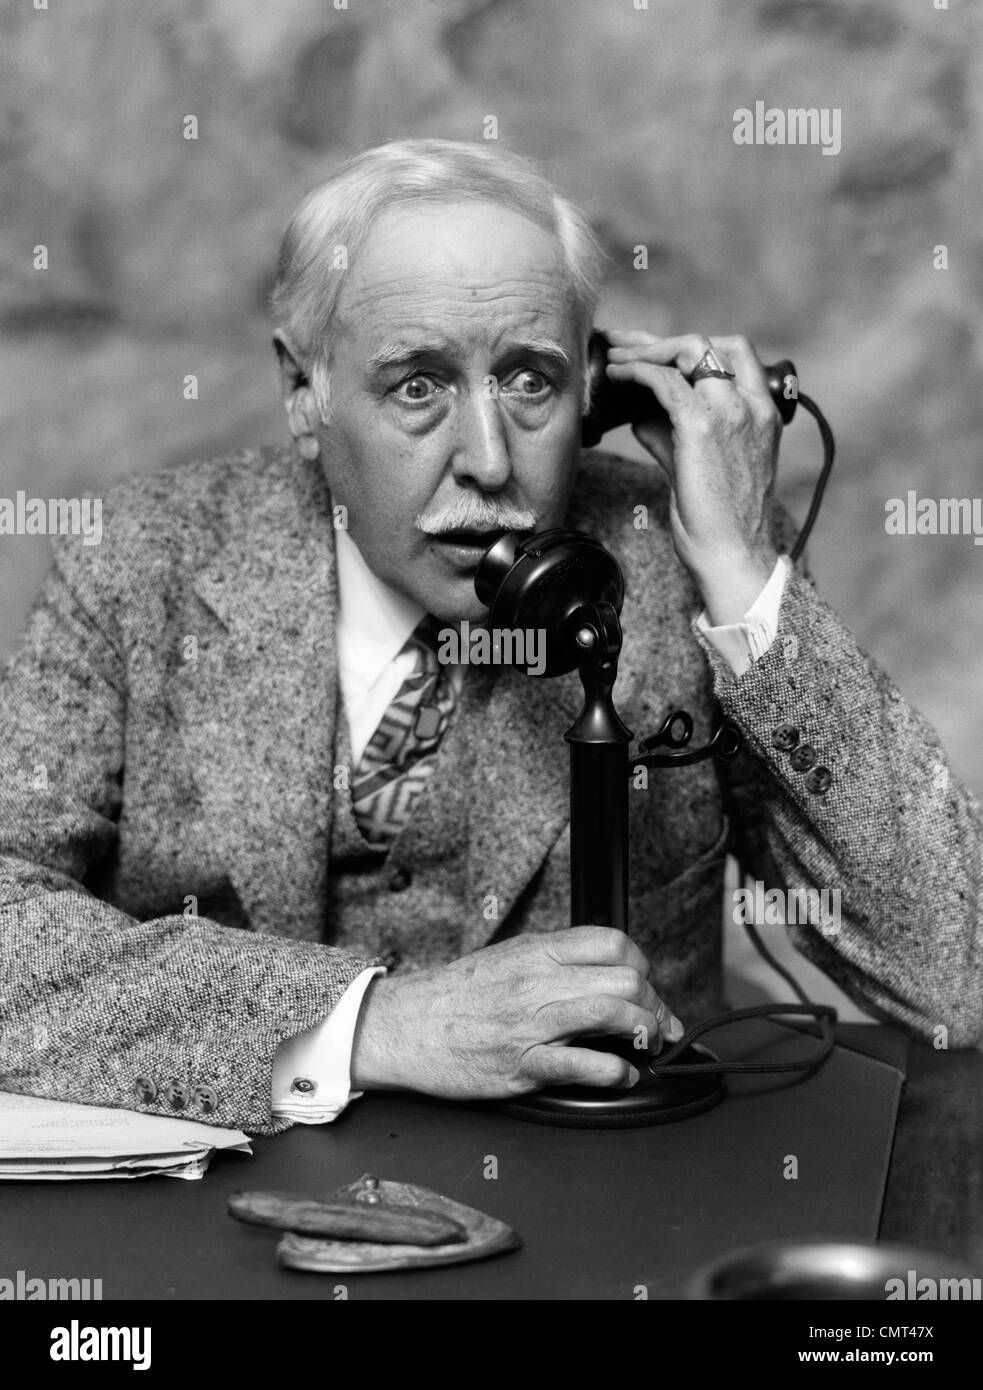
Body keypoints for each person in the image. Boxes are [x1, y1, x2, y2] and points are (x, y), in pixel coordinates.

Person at [1, 140, 979, 1137]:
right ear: (305, 392)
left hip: (627, 1210)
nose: (486, 460)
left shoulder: (683, 564)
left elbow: (953, 978)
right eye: (417, 385)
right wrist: (375, 1021)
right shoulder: (139, 564)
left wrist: (739, 573)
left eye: (528, 381)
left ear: (593, 391)